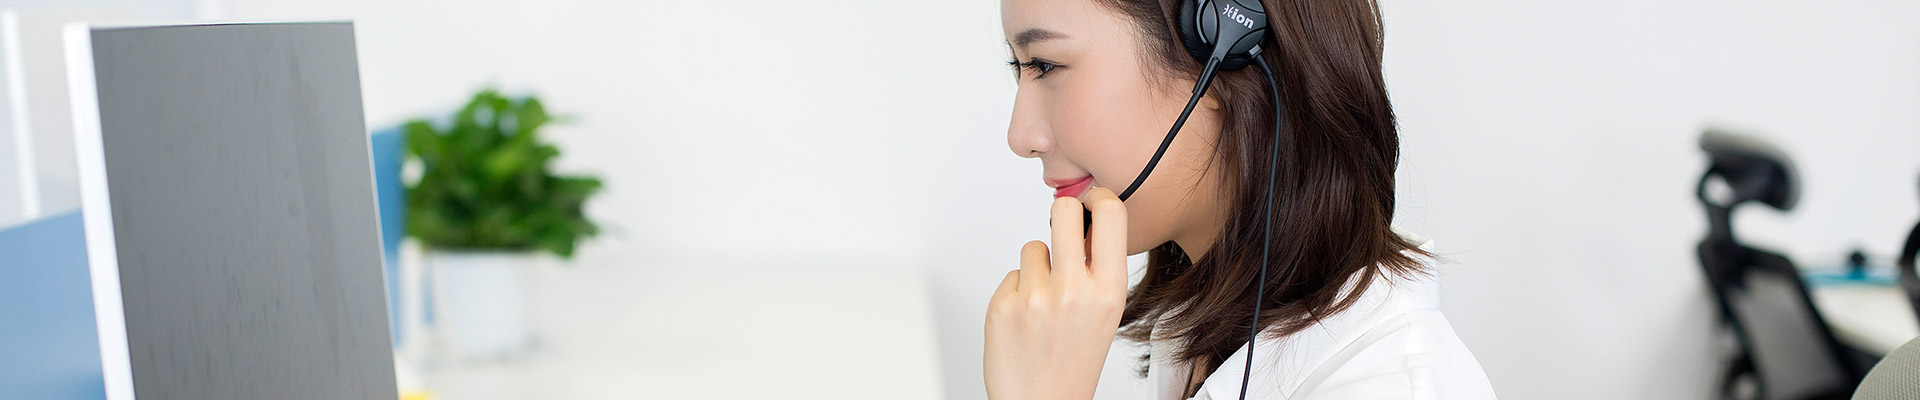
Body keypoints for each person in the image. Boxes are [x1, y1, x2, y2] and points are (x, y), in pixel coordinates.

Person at [983, 0, 1497, 399]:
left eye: (1045, 65)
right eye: (1018, 66)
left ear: (1218, 49)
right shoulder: (1198, 335)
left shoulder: (1389, 388)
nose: (1020, 136)